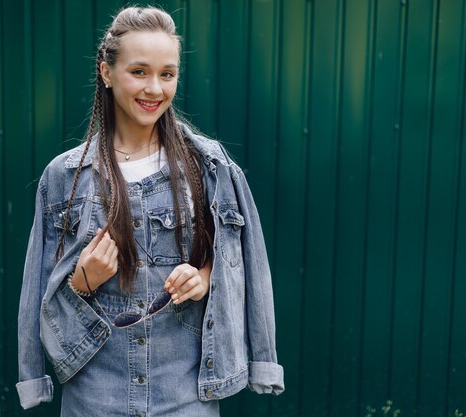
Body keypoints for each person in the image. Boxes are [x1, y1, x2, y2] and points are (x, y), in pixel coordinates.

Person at [16, 6, 284, 416]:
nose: (155, 88)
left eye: (167, 74)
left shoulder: (209, 166)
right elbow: (36, 291)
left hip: (185, 391)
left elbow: (243, 261)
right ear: (106, 73)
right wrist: (82, 282)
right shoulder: (64, 177)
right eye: (139, 71)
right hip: (94, 393)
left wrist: (204, 277)